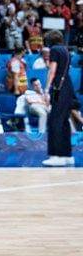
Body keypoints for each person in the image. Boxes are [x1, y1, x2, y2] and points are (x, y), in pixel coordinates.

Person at [42, 31, 75, 166]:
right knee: (64, 121)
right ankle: (67, 155)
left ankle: (56, 155)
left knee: (54, 120)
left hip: (58, 88)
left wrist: (46, 89)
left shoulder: (54, 50)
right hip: (67, 86)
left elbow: (52, 71)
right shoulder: (65, 50)